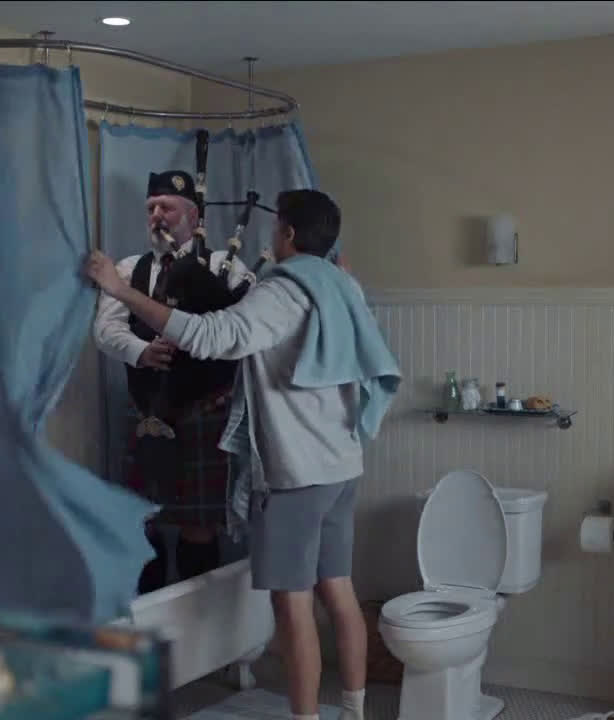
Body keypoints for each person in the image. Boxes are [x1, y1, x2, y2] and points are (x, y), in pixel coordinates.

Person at [85, 189, 400, 720]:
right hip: (342, 465)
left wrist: (120, 290)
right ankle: (354, 709)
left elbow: (212, 336)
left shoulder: (283, 293)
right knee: (339, 591)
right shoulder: (340, 284)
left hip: (297, 474)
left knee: (293, 603)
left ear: (289, 235)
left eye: (277, 227)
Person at [92, 169, 249, 592]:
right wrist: (140, 351)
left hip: (205, 413)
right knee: (144, 521)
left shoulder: (224, 266)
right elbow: (106, 331)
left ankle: (203, 637)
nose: (158, 215)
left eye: (168, 207)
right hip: (149, 413)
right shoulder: (128, 269)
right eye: (151, 208)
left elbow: (240, 330)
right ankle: (152, 626)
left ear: (194, 215)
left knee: (200, 526)